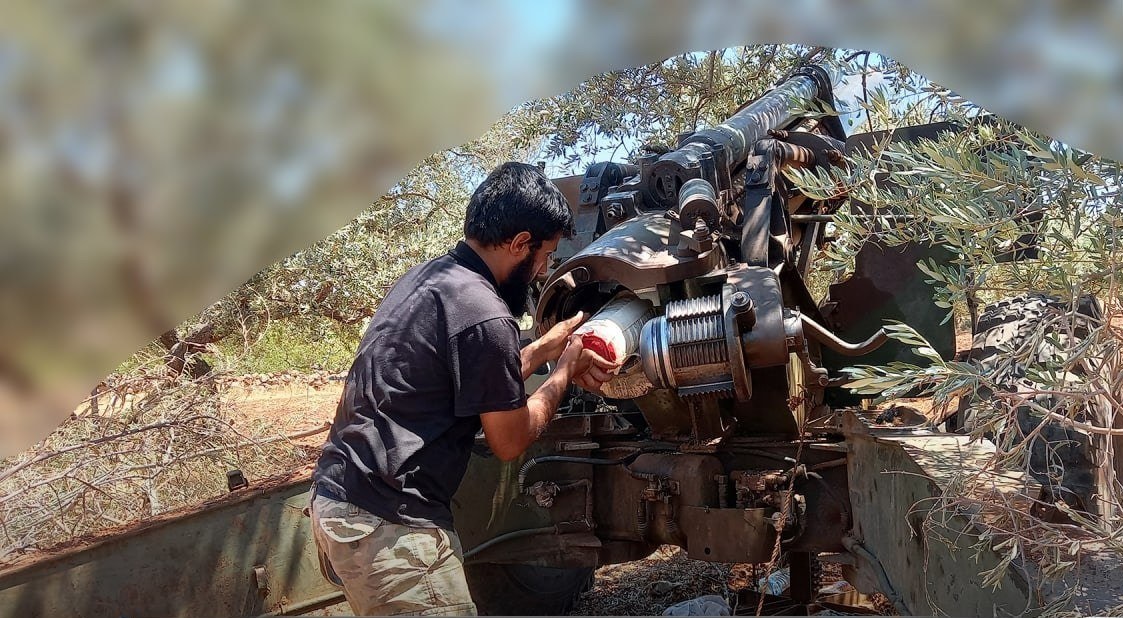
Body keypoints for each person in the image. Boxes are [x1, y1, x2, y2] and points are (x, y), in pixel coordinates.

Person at [309, 161, 618, 616]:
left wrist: (542, 349)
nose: (543, 270)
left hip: (340, 501)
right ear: (519, 245)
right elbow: (509, 439)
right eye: (546, 256)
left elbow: (468, 381)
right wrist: (564, 372)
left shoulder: (430, 280)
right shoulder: (486, 314)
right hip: (389, 527)